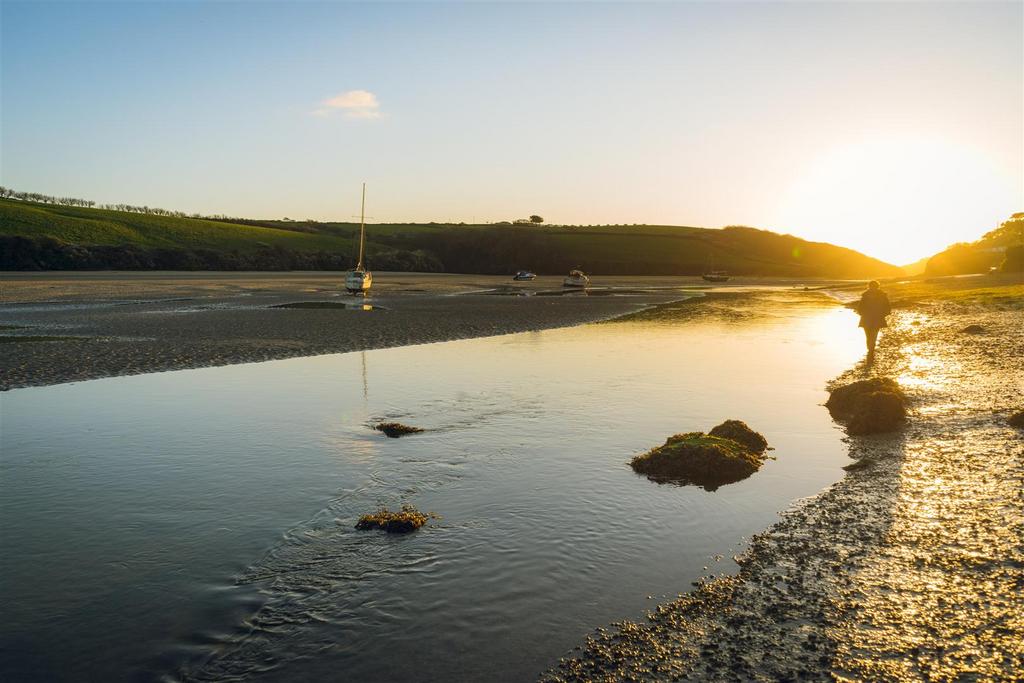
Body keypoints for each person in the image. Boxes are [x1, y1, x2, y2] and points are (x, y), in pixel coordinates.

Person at [856, 280, 891, 359]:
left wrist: (883, 314)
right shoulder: (865, 295)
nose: (873, 288)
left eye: (874, 287)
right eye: (871, 287)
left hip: (876, 318)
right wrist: (862, 313)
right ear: (869, 287)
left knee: (874, 335)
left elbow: (887, 307)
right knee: (868, 336)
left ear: (877, 287)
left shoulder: (882, 295)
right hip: (867, 318)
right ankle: (870, 349)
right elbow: (860, 307)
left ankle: (871, 350)